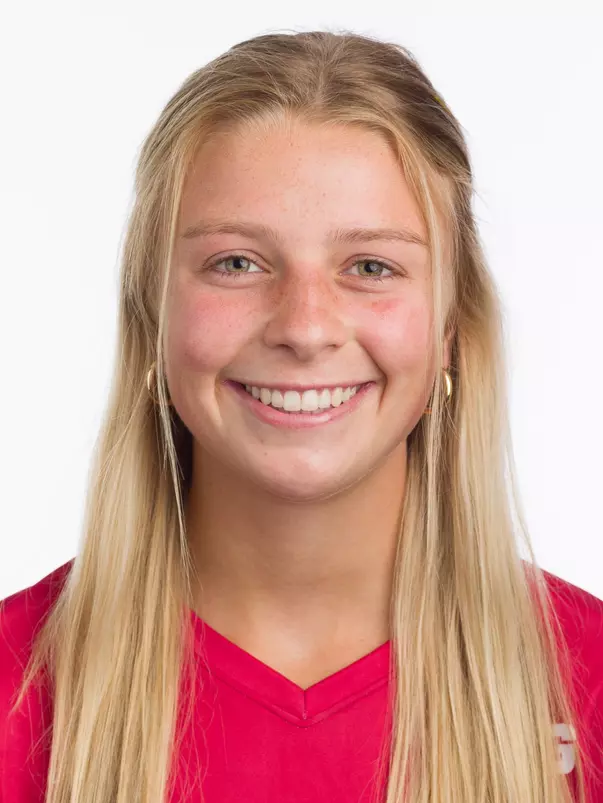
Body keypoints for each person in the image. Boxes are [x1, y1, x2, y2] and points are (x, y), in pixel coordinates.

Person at [1, 28, 602, 803]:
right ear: (152, 314)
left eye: (370, 267)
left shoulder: (584, 682)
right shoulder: (19, 686)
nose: (305, 326)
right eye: (237, 263)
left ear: (450, 331)